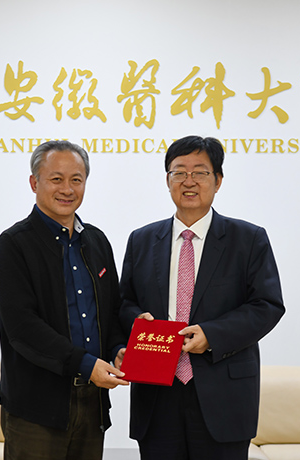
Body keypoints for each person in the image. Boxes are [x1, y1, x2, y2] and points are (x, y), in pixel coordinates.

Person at [118, 135, 285, 460]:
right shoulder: (142, 240)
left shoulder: (248, 239)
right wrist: (136, 320)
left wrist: (211, 335)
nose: (189, 181)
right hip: (156, 394)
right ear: (167, 180)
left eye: (200, 172)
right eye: (179, 172)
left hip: (224, 394)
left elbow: (267, 305)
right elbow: (124, 302)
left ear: (218, 180)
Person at [0, 140, 128, 460]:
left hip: (92, 403)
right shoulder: (13, 245)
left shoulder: (97, 241)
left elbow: (110, 312)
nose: (67, 189)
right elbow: (22, 328)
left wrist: (118, 349)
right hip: (36, 408)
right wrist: (85, 364)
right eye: (56, 179)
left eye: (76, 180)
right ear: (34, 182)